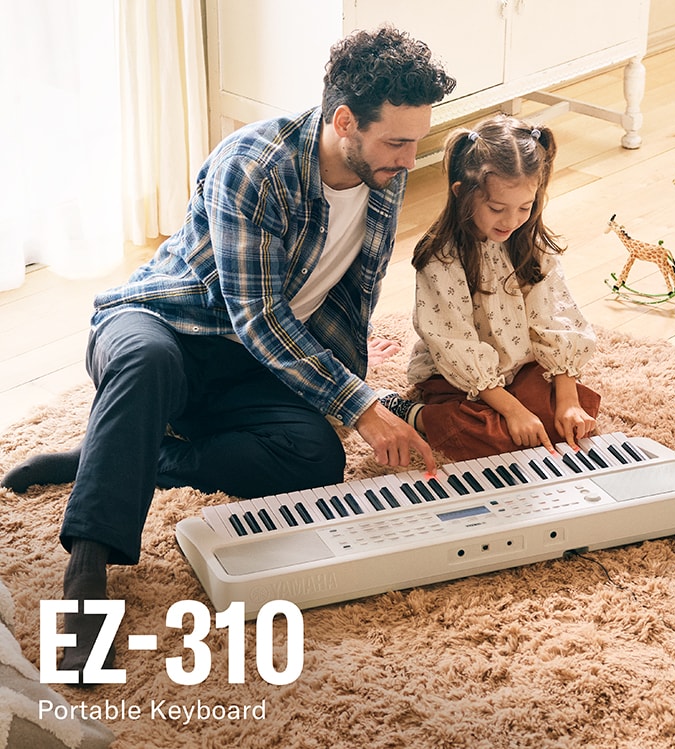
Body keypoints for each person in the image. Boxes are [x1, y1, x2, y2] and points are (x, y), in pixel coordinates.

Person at [1, 26, 455, 681]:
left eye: (417, 141)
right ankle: (86, 581)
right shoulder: (255, 164)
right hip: (164, 325)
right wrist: (357, 405)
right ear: (345, 122)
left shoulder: (381, 173)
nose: (412, 161)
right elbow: (259, 316)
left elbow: (349, 297)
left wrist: (356, 386)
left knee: (315, 456)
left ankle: (131, 453)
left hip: (247, 367)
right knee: (143, 364)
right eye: (398, 142)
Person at [379, 115, 600, 462]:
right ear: (463, 194)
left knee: (571, 412)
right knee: (490, 433)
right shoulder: (442, 258)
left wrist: (568, 401)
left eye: (524, 208)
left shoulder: (530, 243)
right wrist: (513, 411)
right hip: (457, 378)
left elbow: (555, 316)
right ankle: (414, 413)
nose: (511, 221)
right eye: (497, 209)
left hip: (518, 367)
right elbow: (455, 344)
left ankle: (530, 408)